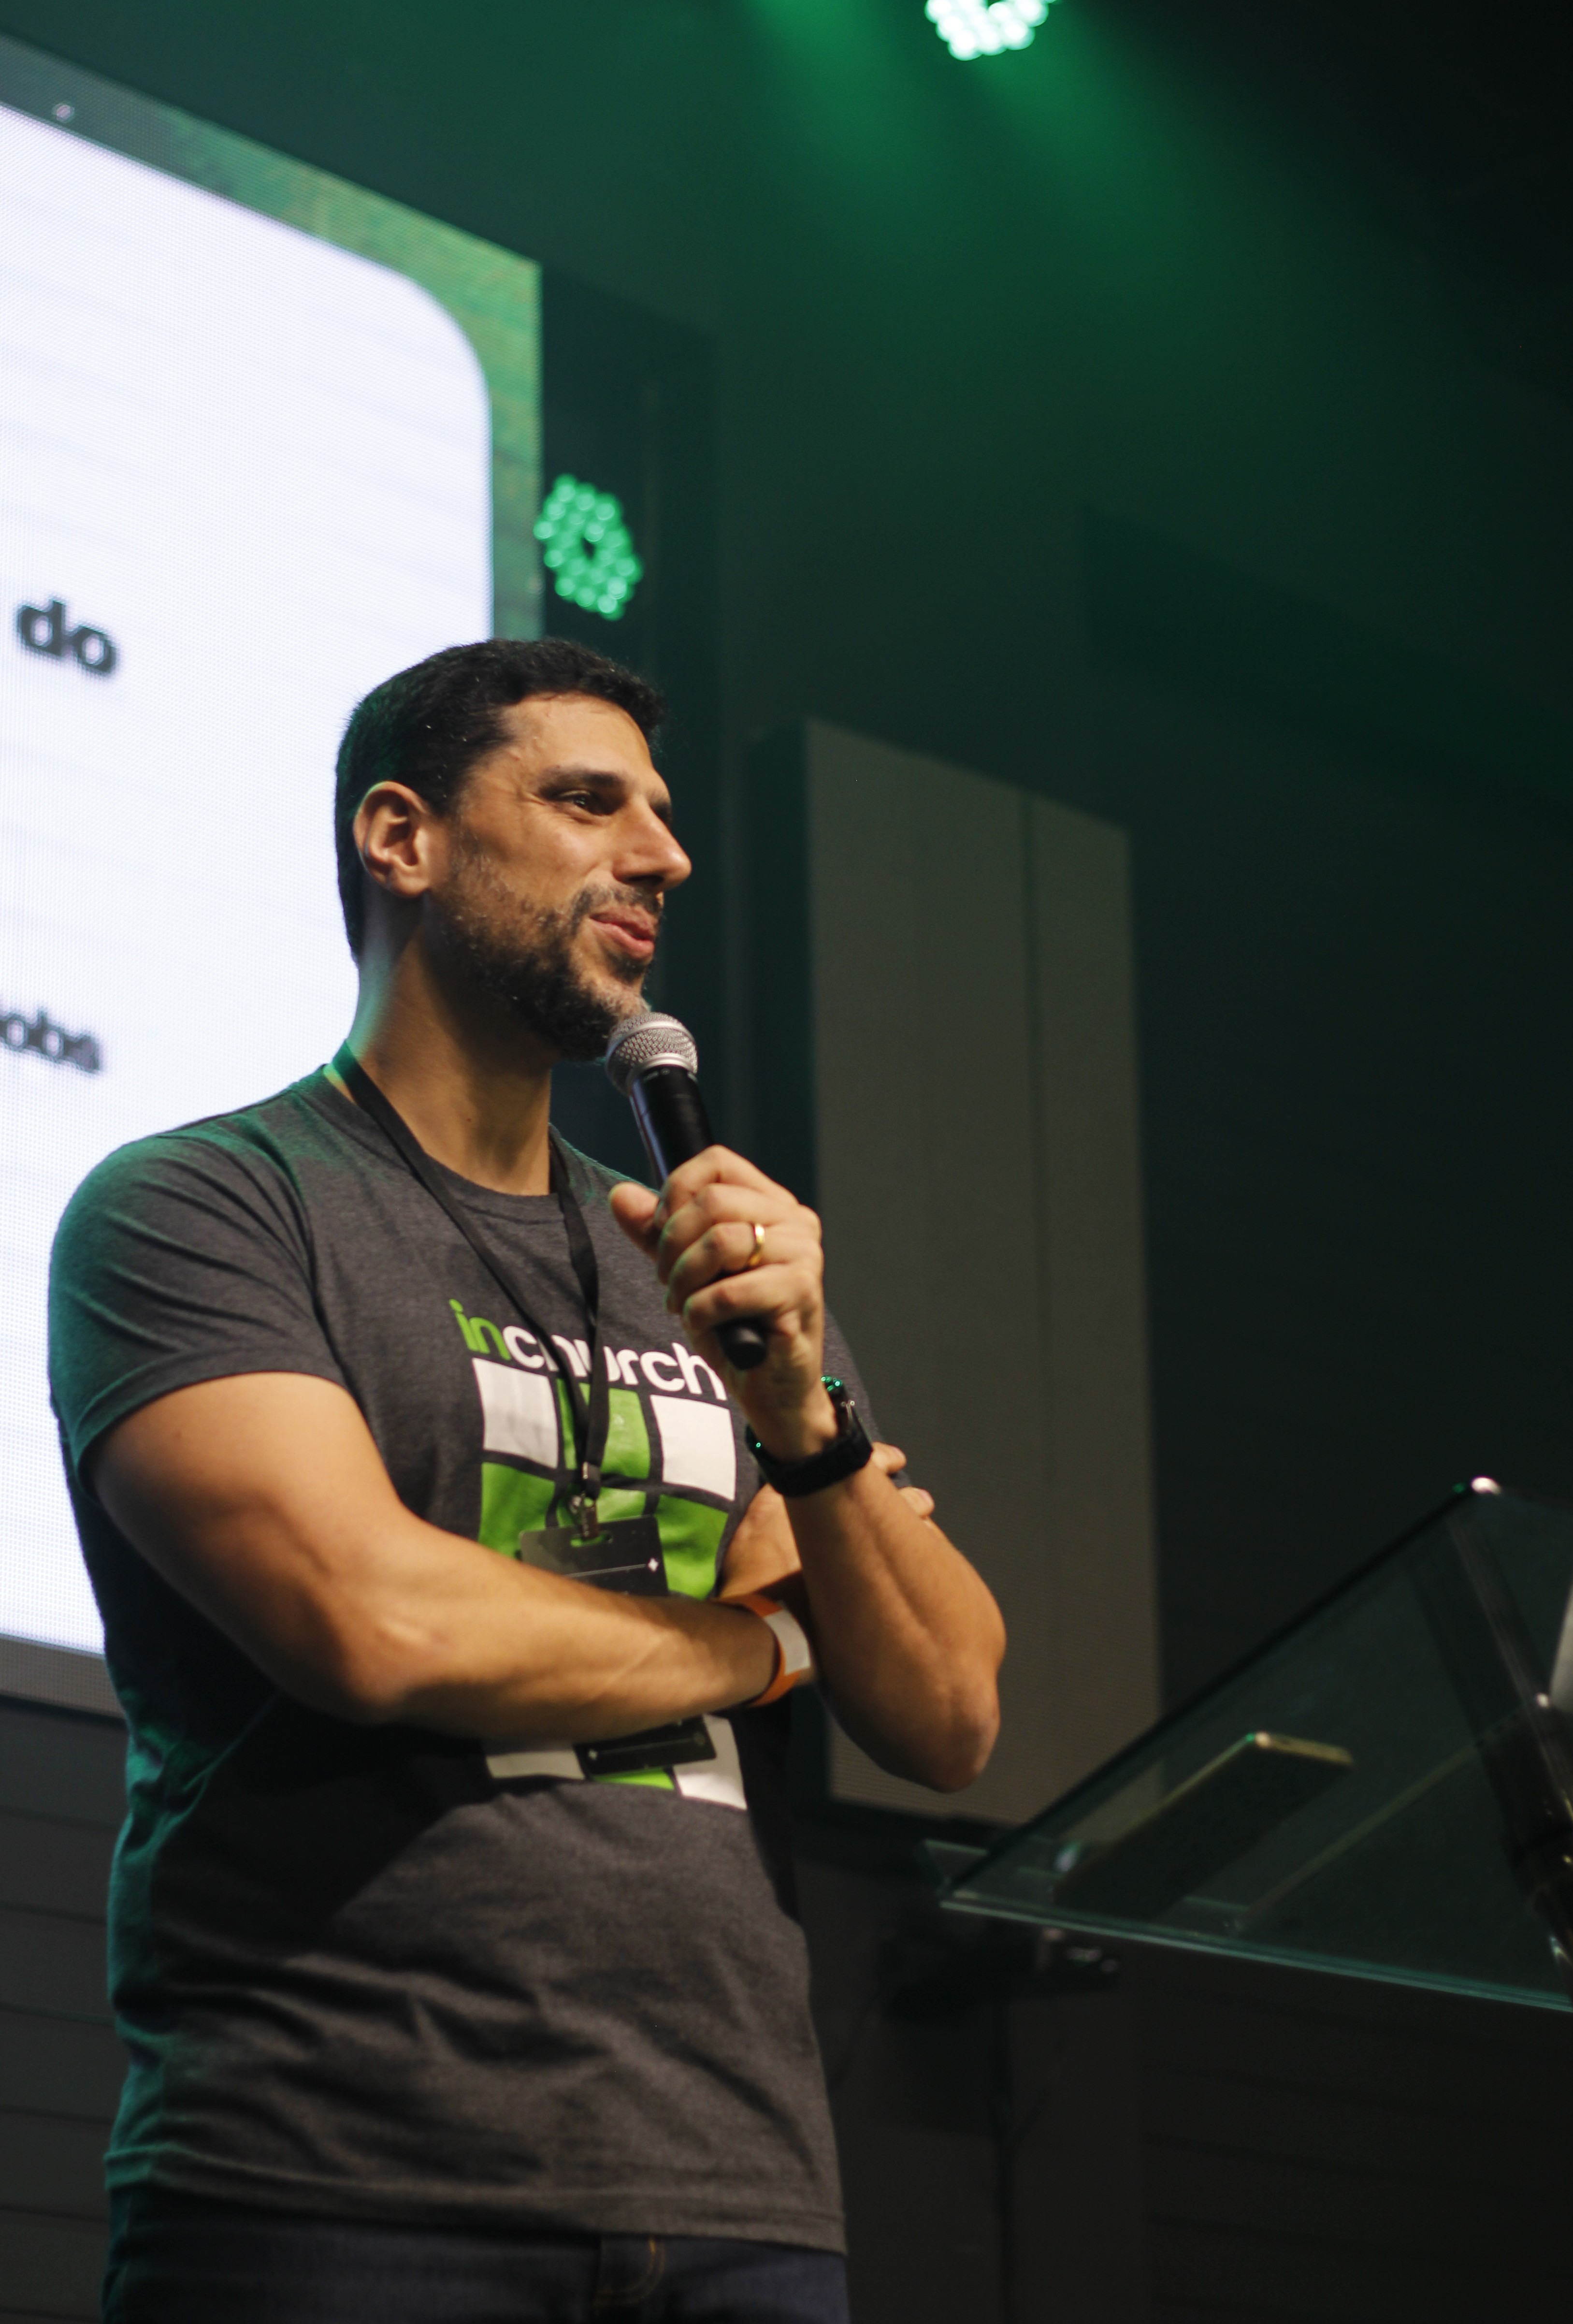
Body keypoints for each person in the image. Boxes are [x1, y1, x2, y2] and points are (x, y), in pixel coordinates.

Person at [48, 637, 1005, 2324]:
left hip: (740, 2189)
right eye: (587, 802)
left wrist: (807, 1422)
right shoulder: (208, 1207)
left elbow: (945, 1710)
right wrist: (768, 1643)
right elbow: (373, 1620)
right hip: (338, 2177)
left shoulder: (700, 1259)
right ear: (401, 839)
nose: (664, 855)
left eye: (662, 814)